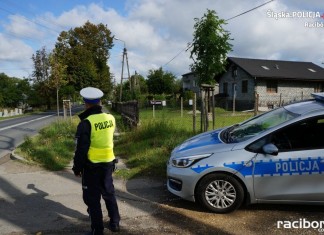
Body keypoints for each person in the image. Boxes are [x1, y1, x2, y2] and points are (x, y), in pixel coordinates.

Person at [72, 87, 120, 234]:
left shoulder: (86, 123)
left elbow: (81, 149)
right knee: (109, 193)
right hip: (108, 164)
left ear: (85, 103)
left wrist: (77, 168)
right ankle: (115, 223)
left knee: (92, 199)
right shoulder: (110, 118)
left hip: (91, 166)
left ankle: (97, 230)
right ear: (100, 101)